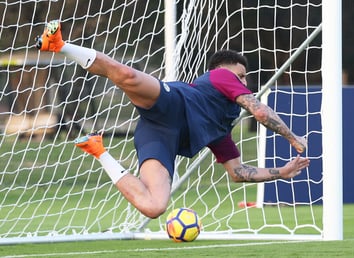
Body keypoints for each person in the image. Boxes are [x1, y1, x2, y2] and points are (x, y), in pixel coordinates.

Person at [36, 20, 309, 219]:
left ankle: (98, 150)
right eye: (240, 75)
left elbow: (238, 173)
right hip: (170, 103)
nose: (244, 81)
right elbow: (260, 111)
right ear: (223, 72)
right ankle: (59, 44)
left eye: (245, 77)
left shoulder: (221, 128)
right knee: (127, 76)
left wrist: (282, 173)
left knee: (155, 207)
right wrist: (292, 137)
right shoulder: (221, 76)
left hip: (159, 137)